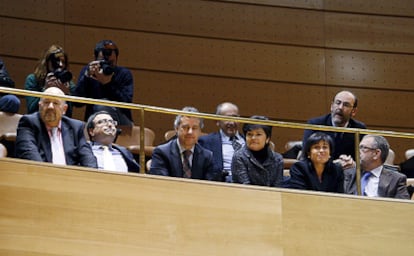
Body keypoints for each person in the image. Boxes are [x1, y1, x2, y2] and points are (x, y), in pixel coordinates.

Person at [15, 87, 97, 168]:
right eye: (46, 102)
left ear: (64, 109)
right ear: (40, 106)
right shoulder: (28, 122)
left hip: (70, 178)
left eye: (56, 103)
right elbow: (29, 155)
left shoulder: (76, 127)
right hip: (39, 176)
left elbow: (88, 160)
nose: (50, 106)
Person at [74, 40, 134, 126]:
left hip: (121, 120)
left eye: (111, 63)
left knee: (102, 105)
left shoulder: (124, 74)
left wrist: (107, 84)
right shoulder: (89, 72)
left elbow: (126, 104)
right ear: (95, 59)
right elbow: (77, 103)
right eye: (103, 63)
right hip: (94, 119)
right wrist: (86, 77)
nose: (107, 66)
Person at [148, 106, 217, 180]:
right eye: (185, 127)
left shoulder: (207, 157)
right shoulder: (161, 153)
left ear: (200, 131)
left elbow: (210, 186)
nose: (190, 132)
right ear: (176, 129)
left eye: (194, 128)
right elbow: (160, 183)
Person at [302, 90, 366, 163]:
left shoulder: (359, 129)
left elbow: (363, 159)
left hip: (347, 172)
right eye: (338, 103)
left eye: (346, 105)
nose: (340, 107)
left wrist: (353, 164)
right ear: (332, 106)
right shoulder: (315, 125)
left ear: (353, 111)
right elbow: (306, 156)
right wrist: (334, 165)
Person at [342, 135, 409, 199]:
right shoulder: (346, 173)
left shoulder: (396, 180)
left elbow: (403, 207)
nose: (358, 151)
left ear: (376, 153)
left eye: (364, 148)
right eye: (359, 147)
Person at [24, 45, 76, 117]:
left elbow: (69, 114)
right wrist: (45, 90)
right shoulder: (33, 79)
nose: (60, 65)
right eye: (57, 61)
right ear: (47, 63)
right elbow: (31, 110)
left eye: (63, 62)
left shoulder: (68, 83)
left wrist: (66, 95)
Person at [198, 102, 245, 182]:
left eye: (235, 117)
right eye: (227, 118)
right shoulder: (206, 142)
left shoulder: (249, 141)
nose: (232, 122)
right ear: (217, 121)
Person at [232, 115, 284, 187]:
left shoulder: (278, 159)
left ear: (268, 138)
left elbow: (278, 187)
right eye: (249, 134)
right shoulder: (239, 157)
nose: (253, 138)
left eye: (258, 134)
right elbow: (245, 187)